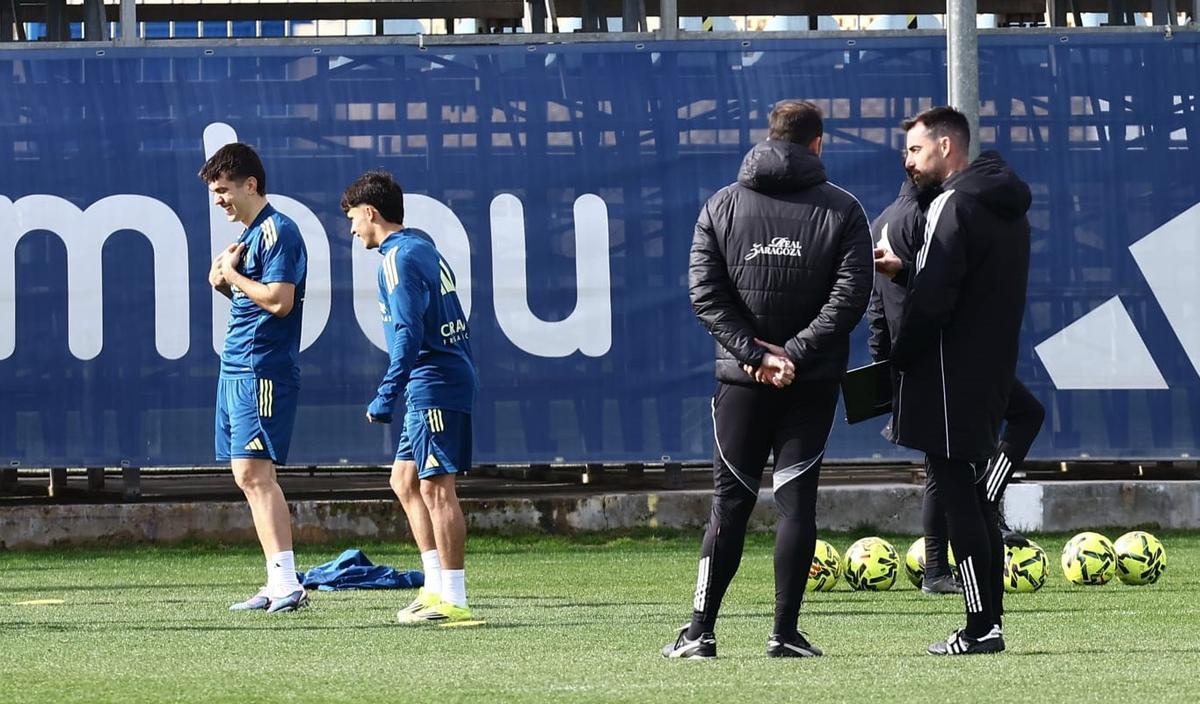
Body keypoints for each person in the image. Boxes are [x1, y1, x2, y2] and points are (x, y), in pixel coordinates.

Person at [663, 100, 872, 659]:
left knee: (728, 506)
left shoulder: (722, 204)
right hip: (811, 382)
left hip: (742, 382)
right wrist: (795, 356)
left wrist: (756, 356)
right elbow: (850, 298)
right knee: (797, 505)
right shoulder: (844, 209)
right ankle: (784, 634)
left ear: (768, 138)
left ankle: (700, 633)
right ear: (818, 144)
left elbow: (706, 298)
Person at [884, 107, 1032, 655]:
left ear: (947, 147)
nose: (909, 161)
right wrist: (907, 270)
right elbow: (970, 283)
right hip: (989, 367)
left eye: (917, 150)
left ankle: (979, 629)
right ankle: (988, 623)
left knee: (959, 505)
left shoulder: (952, 202)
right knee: (973, 501)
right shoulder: (1006, 201)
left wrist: (901, 357)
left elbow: (936, 299)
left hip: (947, 373)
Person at [870, 178, 1046, 597]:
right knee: (1021, 417)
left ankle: (938, 568)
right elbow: (936, 289)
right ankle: (969, 527)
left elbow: (878, 307)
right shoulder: (928, 218)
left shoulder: (884, 220)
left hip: (914, 359)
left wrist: (884, 366)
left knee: (940, 466)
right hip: (949, 357)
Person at [342, 170, 478, 625]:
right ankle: (434, 585)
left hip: (436, 382)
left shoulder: (398, 258)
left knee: (437, 489)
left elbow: (408, 333)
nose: (352, 229)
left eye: (352, 219)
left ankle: (453, 599)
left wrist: (385, 394)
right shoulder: (420, 247)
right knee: (404, 481)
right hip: (434, 380)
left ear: (370, 212)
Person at [202, 143, 309, 613]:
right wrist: (224, 281)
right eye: (214, 192)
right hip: (237, 367)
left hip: (262, 369)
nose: (219, 199)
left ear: (251, 184)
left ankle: (288, 583)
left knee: (255, 473)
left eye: (223, 190)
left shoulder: (280, 232)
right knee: (244, 475)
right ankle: (277, 580)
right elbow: (254, 301)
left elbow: (281, 301)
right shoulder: (251, 235)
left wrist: (232, 274)